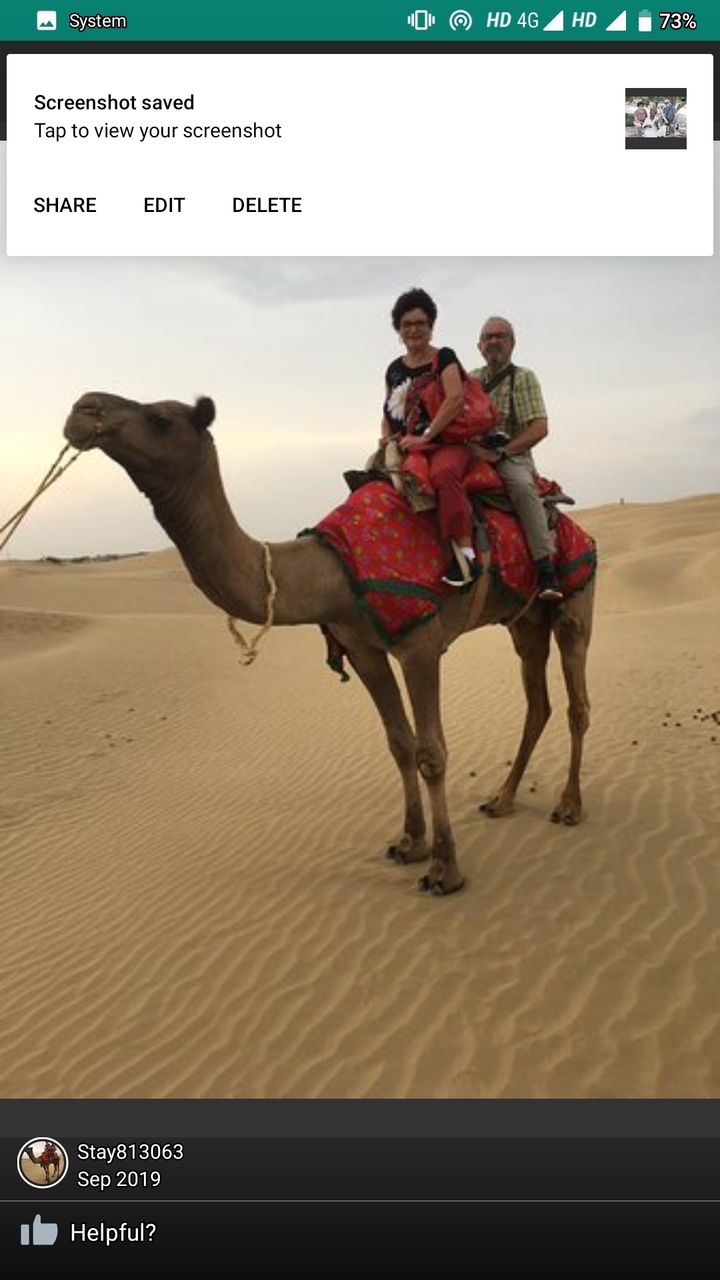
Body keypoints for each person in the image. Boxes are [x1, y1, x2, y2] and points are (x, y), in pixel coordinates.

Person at [380, 287, 479, 587]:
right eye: (407, 324)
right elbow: (387, 412)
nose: (414, 329)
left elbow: (455, 399)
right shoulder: (394, 369)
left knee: (444, 474)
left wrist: (426, 437)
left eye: (420, 323)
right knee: (374, 483)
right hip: (408, 445)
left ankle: (466, 555)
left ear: (431, 326)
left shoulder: (444, 357)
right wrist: (386, 440)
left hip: (447, 442)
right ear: (399, 329)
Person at [470, 317, 563, 602]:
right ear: (479, 345)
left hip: (511, 456)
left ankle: (546, 569)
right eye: (488, 337)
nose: (494, 342)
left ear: (513, 343)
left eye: (501, 336)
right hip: (473, 453)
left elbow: (539, 427)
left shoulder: (523, 378)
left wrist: (501, 452)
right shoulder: (469, 380)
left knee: (522, 487)